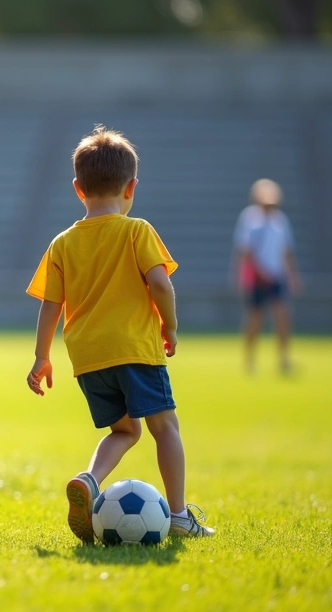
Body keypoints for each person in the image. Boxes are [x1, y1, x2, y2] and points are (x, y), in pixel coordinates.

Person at [24, 126, 214, 542]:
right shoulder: (136, 231)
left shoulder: (62, 243)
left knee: (125, 430)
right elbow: (161, 284)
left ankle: (90, 480)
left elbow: (50, 305)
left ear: (78, 189)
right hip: (134, 348)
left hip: (88, 358)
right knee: (165, 427)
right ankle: (180, 516)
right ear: (131, 188)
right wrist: (170, 325)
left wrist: (42, 356)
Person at [233, 178, 302, 374]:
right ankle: (250, 359)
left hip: (276, 275)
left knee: (282, 316)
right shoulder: (250, 219)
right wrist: (249, 274)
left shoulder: (280, 220)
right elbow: (245, 251)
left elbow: (286, 251)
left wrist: (292, 276)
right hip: (258, 277)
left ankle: (283, 359)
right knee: (255, 318)